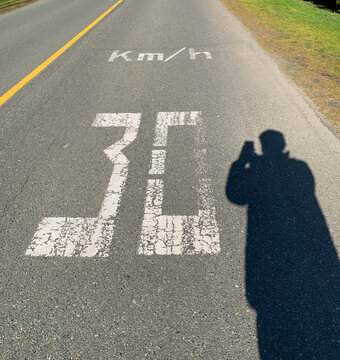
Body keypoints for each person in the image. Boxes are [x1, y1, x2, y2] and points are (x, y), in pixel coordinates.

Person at [226, 130, 339, 359]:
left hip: (264, 256)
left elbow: (236, 195)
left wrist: (241, 163)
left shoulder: (262, 168)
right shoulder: (300, 168)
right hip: (310, 251)